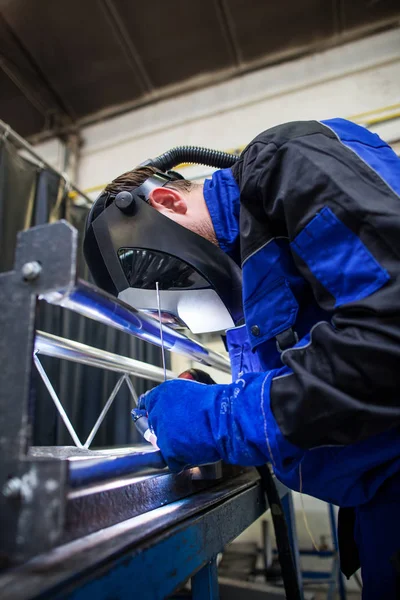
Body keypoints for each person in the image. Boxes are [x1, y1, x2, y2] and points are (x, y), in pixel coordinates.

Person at [97, 119, 400, 598]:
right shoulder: (256, 272)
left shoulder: (287, 162)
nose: (181, 301)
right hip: (380, 507)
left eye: (164, 280)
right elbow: (306, 385)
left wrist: (216, 421)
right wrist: (216, 406)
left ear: (168, 202)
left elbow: (388, 336)